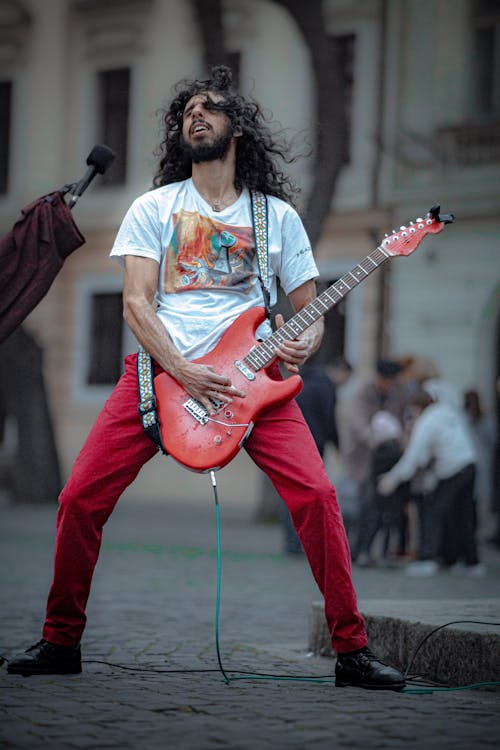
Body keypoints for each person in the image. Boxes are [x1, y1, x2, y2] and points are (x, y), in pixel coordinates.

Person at [6, 66, 405, 690]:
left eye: (210, 108)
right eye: (187, 110)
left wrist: (306, 341)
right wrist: (183, 369)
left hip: (254, 385)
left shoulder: (277, 217)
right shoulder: (154, 207)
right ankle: (61, 640)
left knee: (320, 499)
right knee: (78, 499)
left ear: (236, 128)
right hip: (159, 377)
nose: (195, 115)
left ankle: (351, 651)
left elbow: (308, 312)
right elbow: (136, 304)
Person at [377, 379, 482, 577]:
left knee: (433, 511)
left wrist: (392, 479)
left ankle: (427, 559)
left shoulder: (427, 422)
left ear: (419, 408)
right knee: (464, 516)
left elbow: (413, 458)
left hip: (453, 469)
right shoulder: (445, 411)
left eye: (412, 412)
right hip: (469, 464)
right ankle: (472, 562)